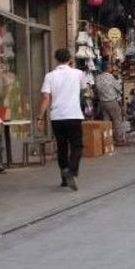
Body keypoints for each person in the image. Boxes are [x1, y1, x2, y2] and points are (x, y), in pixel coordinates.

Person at [37, 48, 86, 191]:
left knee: (62, 147)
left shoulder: (50, 76)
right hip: (73, 115)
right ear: (70, 59)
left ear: (56, 59)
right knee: (76, 146)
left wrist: (40, 117)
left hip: (57, 117)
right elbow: (84, 89)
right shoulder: (78, 74)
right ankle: (71, 170)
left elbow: (46, 97)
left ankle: (64, 178)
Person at [94, 59, 126, 145]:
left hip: (102, 102)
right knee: (117, 120)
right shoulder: (110, 77)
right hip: (111, 101)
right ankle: (119, 139)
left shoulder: (98, 77)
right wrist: (119, 82)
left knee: (106, 121)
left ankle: (107, 139)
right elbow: (118, 88)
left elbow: (96, 90)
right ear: (108, 68)